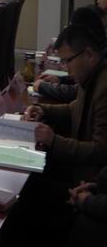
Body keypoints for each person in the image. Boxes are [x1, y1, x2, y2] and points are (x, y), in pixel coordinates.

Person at [24, 24, 107, 183]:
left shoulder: (104, 88)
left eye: (67, 61)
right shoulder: (91, 75)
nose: (66, 68)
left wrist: (53, 140)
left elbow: (100, 152)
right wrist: (43, 110)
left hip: (90, 182)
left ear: (88, 54)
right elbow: (75, 108)